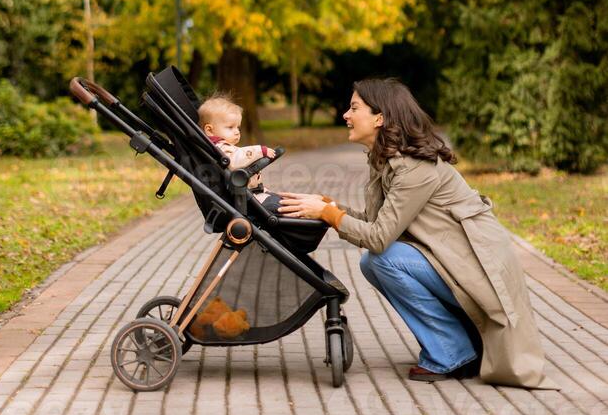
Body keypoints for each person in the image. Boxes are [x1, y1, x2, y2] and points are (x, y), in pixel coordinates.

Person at [278, 78, 554, 388]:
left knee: (381, 259)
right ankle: (454, 343)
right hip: (454, 265)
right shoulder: (386, 159)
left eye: (354, 108)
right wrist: (328, 207)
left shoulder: (414, 168)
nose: (345, 114)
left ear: (380, 118)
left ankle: (452, 352)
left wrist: (329, 214)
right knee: (374, 262)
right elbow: (373, 222)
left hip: (477, 273)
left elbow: (379, 238)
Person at [199, 93, 282, 212]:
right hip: (243, 197)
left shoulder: (219, 147)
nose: (237, 132)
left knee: (281, 199)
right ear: (209, 130)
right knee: (279, 206)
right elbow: (238, 158)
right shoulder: (221, 148)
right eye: (230, 127)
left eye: (238, 127)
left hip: (250, 192)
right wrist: (260, 150)